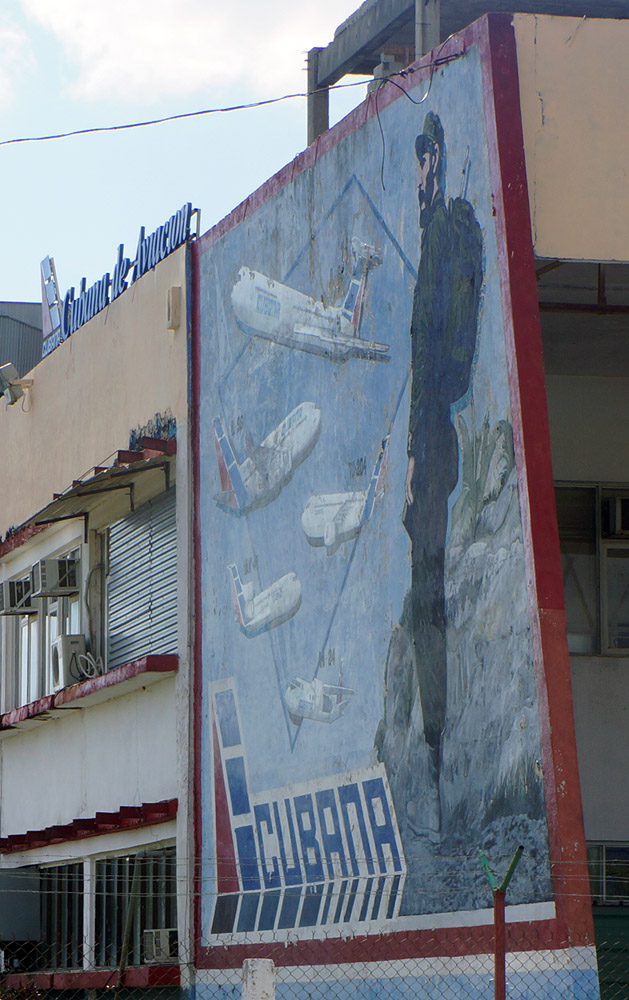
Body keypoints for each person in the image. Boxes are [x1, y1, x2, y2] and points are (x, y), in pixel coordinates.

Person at [402, 111, 483, 840]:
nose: (419, 179)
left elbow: (436, 368)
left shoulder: (445, 236)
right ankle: (430, 746)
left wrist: (416, 460)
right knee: (422, 593)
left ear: (438, 161)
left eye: (423, 164)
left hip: (434, 444)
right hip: (427, 447)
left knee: (427, 594)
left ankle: (434, 751)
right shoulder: (441, 237)